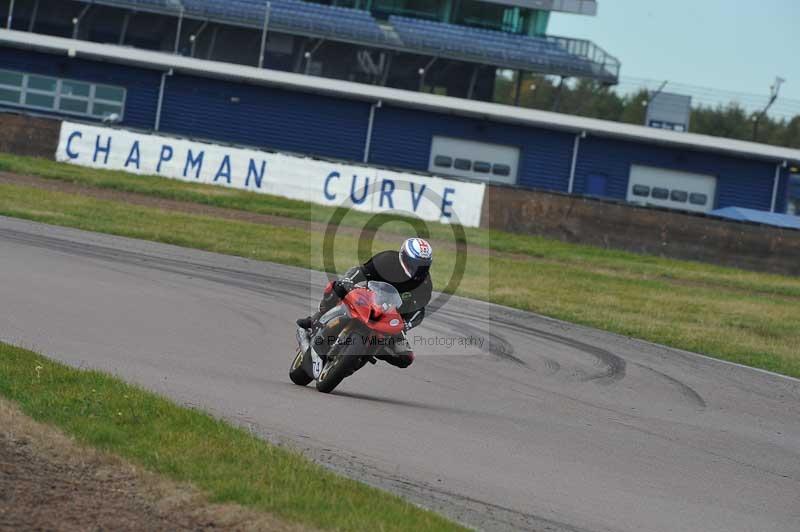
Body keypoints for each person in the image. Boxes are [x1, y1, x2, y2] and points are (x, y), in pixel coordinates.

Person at [297, 238, 433, 368]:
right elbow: (361, 271)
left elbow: (420, 310)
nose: (418, 269)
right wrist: (348, 281)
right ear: (404, 256)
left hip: (392, 318)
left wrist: (407, 324)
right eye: (414, 264)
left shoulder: (425, 284)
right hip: (368, 297)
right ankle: (315, 320)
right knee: (336, 287)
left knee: (405, 358)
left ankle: (372, 351)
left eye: (423, 266)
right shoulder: (386, 259)